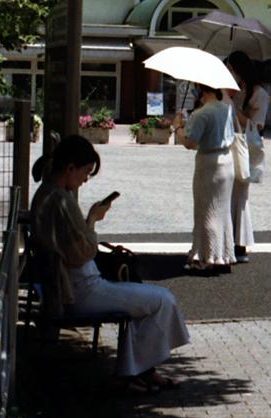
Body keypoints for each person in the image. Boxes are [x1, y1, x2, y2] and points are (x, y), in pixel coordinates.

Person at [30, 135, 190, 393]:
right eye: (85, 172)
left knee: (149, 299)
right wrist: (92, 221)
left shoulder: (49, 195)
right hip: (82, 290)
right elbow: (83, 252)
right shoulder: (59, 200)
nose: (85, 179)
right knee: (163, 299)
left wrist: (83, 237)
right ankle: (133, 372)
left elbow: (74, 250)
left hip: (74, 284)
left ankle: (139, 371)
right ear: (70, 168)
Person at [172, 84, 236, 274]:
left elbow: (190, 143)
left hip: (208, 165)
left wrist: (177, 127)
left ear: (201, 89)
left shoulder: (201, 114)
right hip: (226, 162)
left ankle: (205, 259)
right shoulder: (226, 108)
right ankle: (222, 255)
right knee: (222, 212)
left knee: (205, 211)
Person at [224, 51, 270, 264]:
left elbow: (256, 126)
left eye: (231, 69)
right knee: (229, 194)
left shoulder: (259, 94)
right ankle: (230, 241)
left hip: (246, 149)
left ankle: (239, 244)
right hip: (232, 146)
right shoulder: (237, 91)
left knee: (240, 195)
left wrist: (233, 107)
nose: (229, 73)